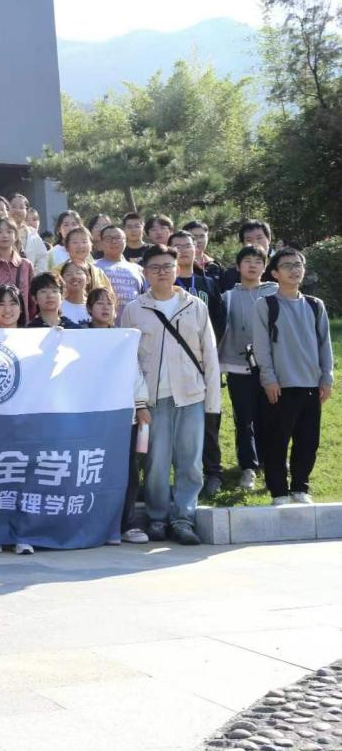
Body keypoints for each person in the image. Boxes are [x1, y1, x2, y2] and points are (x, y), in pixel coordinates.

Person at [119, 244, 221, 545]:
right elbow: (128, 361)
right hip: (153, 400)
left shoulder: (195, 306)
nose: (162, 272)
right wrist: (138, 403)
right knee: (156, 464)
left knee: (190, 463)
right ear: (145, 272)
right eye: (155, 267)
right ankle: (158, 518)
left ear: (177, 269)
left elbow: (209, 356)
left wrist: (212, 404)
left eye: (167, 266)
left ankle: (183, 519)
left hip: (191, 396)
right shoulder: (134, 309)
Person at [252, 248, 333, 506]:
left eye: (298, 265)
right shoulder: (266, 304)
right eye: (287, 265)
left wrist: (327, 378)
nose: (294, 270)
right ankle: (279, 491)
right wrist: (269, 378)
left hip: (311, 385)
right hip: (280, 385)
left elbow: (325, 344)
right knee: (277, 441)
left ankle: (300, 487)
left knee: (308, 441)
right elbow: (261, 346)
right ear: (275, 273)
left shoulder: (315, 305)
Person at [88, 286, 154, 545]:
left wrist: (141, 405)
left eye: (110, 304)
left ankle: (126, 524)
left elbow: (134, 373)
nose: (105, 308)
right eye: (99, 303)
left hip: (122, 415)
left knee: (127, 469)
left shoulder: (123, 339)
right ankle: (92, 523)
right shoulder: (79, 338)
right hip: (91, 416)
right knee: (92, 469)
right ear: (89, 308)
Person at [168, 229, 225, 495]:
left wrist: (209, 354)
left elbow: (220, 321)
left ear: (197, 249)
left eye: (187, 245)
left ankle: (213, 472)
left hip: (205, 361)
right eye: (177, 246)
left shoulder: (208, 284)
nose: (183, 250)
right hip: (173, 364)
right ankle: (183, 474)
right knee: (178, 423)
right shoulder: (163, 286)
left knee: (210, 418)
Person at [219, 246, 277, 491]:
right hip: (238, 366)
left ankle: (272, 461)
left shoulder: (275, 292)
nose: (252, 265)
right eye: (247, 261)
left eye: (257, 261)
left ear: (265, 266)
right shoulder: (228, 296)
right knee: (244, 419)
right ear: (238, 266)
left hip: (270, 368)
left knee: (271, 417)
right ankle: (248, 467)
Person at [0, 218, 34, 317]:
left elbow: (32, 300)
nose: (4, 235)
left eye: (9, 231)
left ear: (16, 235)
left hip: (22, 323)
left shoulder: (26, 265)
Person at [95, 224, 147, 318]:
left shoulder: (138, 269)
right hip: (101, 324)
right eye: (108, 238)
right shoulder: (93, 267)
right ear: (101, 242)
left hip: (132, 322)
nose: (113, 241)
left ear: (125, 241)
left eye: (118, 238)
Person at [220, 220, 274, 292]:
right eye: (249, 240)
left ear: (269, 239)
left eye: (259, 238)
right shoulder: (231, 276)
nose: (255, 243)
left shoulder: (280, 270)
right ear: (243, 244)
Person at [59, 261, 93, 326]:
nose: (74, 276)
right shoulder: (57, 306)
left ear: (88, 279)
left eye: (79, 273)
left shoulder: (95, 306)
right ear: (62, 280)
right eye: (68, 274)